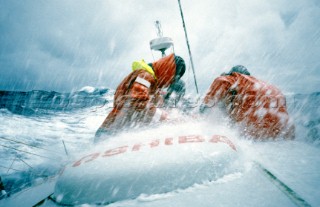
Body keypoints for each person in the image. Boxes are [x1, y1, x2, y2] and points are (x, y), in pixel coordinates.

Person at [95, 53, 186, 140]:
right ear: (168, 72)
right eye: (173, 78)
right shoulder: (145, 76)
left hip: (119, 130)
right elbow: (138, 102)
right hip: (110, 132)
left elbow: (153, 106)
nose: (170, 82)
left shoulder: (154, 86)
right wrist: (165, 117)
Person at [201, 65, 295, 139]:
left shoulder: (227, 79)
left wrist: (197, 122)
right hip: (284, 133)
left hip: (254, 132)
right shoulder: (265, 86)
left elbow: (206, 106)